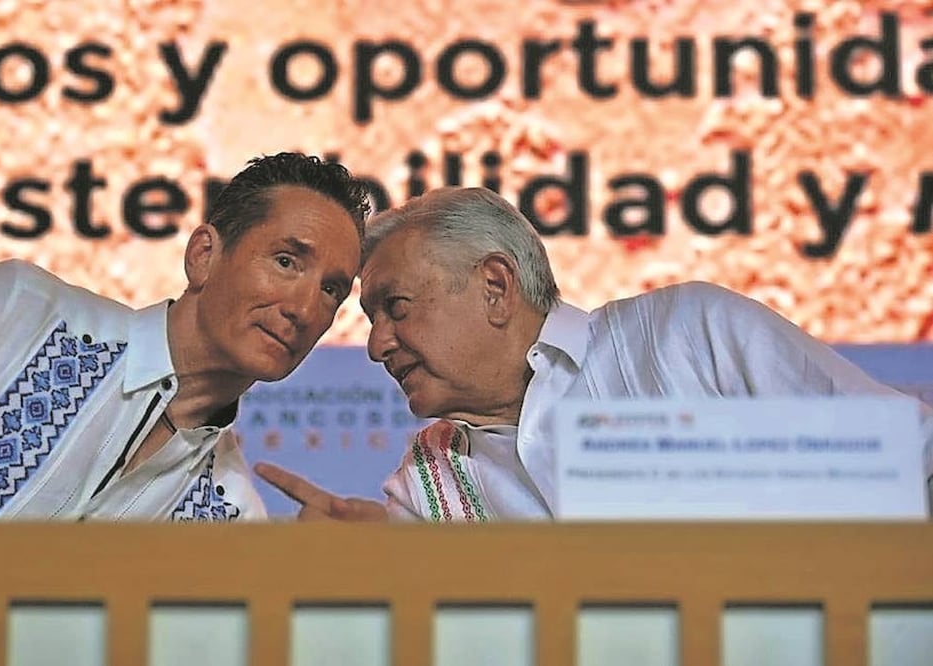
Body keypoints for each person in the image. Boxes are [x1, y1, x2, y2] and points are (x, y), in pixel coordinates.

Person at [255, 186, 933, 521]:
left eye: (395, 309)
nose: (376, 346)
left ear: (495, 287)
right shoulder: (426, 483)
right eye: (370, 320)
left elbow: (912, 461)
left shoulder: (688, 337)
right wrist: (382, 566)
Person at [0, 152, 370, 522]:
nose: (305, 309)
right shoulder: (16, 312)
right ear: (203, 255)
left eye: (331, 290)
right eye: (286, 262)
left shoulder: (231, 514)